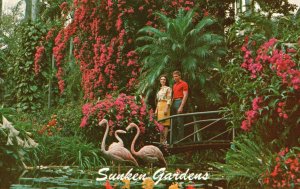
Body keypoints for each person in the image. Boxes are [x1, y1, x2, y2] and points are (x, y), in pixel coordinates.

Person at [171, 70, 188, 143]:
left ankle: (181, 140)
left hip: (179, 101)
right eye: (174, 76)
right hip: (174, 102)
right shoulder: (174, 85)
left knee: (180, 122)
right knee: (173, 122)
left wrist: (181, 106)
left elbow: (185, 95)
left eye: (176, 76)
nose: (175, 78)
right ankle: (174, 140)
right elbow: (173, 96)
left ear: (179, 76)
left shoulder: (184, 83)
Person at [155, 74, 172, 144]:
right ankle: (161, 141)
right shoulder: (159, 90)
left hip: (165, 105)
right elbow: (158, 100)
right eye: (161, 79)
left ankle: (164, 140)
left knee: (165, 124)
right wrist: (156, 109)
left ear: (166, 80)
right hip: (159, 106)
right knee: (160, 124)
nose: (163, 80)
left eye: (164, 79)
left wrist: (166, 108)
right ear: (160, 81)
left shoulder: (168, 88)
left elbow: (169, 99)